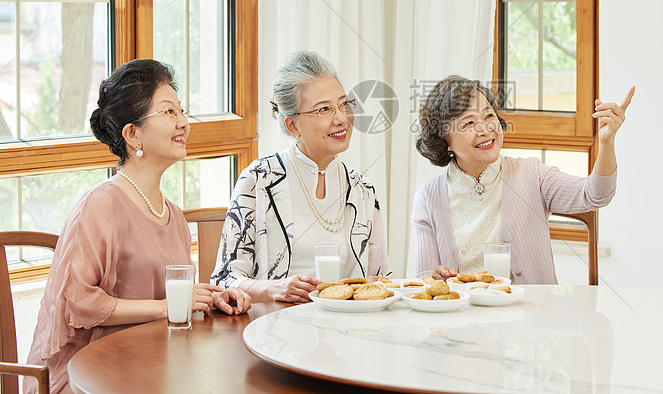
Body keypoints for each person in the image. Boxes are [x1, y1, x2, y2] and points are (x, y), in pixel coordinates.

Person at [24, 59, 250, 394]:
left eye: (181, 110)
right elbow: (77, 301)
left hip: (155, 368)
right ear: (133, 134)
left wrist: (209, 299)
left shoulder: (172, 215)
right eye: (169, 112)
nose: (184, 123)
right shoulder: (100, 205)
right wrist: (166, 307)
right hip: (93, 376)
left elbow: (169, 297)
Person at [412, 75, 634, 284]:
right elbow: (426, 278)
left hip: (532, 316)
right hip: (463, 318)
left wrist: (606, 143)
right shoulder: (428, 198)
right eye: (469, 123)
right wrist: (434, 277)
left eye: (489, 116)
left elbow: (596, 195)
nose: (486, 129)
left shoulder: (531, 174)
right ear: (445, 140)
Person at [211, 50, 392, 303]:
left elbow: (380, 278)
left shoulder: (362, 189)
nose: (341, 118)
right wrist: (273, 289)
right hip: (275, 328)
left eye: (343, 104)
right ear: (292, 125)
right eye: (324, 109)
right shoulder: (259, 179)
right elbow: (224, 279)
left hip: (348, 328)